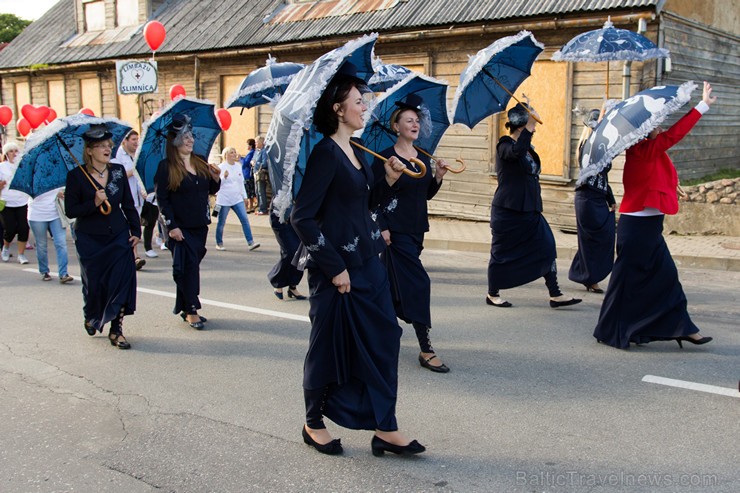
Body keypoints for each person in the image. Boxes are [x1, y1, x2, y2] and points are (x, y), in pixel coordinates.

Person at [291, 65, 425, 457]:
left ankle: (385, 427)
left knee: (385, 339)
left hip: (370, 263)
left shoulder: (357, 152)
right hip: (339, 273)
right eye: (357, 102)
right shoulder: (325, 154)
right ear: (337, 109)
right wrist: (334, 268)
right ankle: (313, 422)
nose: (365, 108)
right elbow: (303, 217)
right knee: (329, 348)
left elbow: (364, 208)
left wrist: (386, 180)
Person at [593, 81, 716, 349]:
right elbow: (674, 136)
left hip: (649, 227)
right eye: (656, 125)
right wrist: (702, 106)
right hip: (636, 229)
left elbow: (659, 174)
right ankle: (611, 330)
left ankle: (683, 328)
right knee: (627, 283)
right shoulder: (640, 150)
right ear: (645, 131)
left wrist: (672, 189)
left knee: (666, 278)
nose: (660, 128)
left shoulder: (649, 152)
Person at [371, 93, 450, 374]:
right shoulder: (386, 158)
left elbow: (423, 194)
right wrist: (382, 226)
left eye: (417, 120)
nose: (415, 124)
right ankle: (426, 348)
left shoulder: (422, 156)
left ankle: (375, 332)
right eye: (409, 120)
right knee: (419, 284)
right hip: (395, 231)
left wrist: (437, 176)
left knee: (391, 287)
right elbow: (375, 197)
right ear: (396, 126)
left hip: (417, 230)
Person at [486, 103, 581, 309]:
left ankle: (555, 294)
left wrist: (528, 130)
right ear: (521, 123)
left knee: (547, 246)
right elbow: (516, 153)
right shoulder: (504, 145)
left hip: (530, 210)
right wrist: (528, 128)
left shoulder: (527, 148)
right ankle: (492, 293)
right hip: (508, 211)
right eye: (531, 124)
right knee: (501, 253)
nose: (535, 128)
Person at [65, 124, 141, 349]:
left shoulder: (117, 171)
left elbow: (128, 204)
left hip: (118, 235)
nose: (108, 149)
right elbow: (71, 211)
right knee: (95, 285)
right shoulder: (76, 176)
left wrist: (135, 232)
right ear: (89, 150)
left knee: (121, 282)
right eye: (101, 146)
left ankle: (116, 331)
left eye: (109, 145)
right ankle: (91, 314)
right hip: (90, 239)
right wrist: (94, 203)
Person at [154, 114, 220, 330]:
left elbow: (210, 190)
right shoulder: (166, 167)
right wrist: (171, 226)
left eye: (191, 135)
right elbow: (162, 200)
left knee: (190, 267)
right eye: (185, 137)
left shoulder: (199, 160)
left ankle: (185, 306)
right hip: (179, 229)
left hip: (199, 225)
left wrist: (216, 178)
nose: (190, 140)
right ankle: (191, 309)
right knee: (186, 268)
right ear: (175, 141)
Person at [568, 108, 616, 294]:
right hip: (586, 199)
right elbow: (593, 173)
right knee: (592, 241)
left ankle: (583, 273)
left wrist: (610, 198)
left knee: (604, 238)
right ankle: (590, 278)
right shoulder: (586, 146)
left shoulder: (601, 145)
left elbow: (603, 176)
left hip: (598, 198)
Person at [112, 130, 148, 269]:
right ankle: (134, 257)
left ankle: (132, 256)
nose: (136, 142)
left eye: (137, 139)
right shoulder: (117, 156)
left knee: (135, 227)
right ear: (124, 141)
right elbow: (117, 176)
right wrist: (133, 170)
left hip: (138, 198)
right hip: (124, 199)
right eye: (133, 139)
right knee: (126, 228)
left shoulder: (138, 154)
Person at [214, 146, 260, 251]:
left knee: (244, 219)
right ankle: (219, 243)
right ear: (226, 155)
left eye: (235, 152)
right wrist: (223, 178)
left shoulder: (238, 166)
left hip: (237, 198)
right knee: (221, 222)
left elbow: (241, 183)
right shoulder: (221, 167)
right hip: (224, 199)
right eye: (231, 152)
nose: (234, 154)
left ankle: (250, 242)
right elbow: (217, 185)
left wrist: (245, 197)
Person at [28, 187, 74, 283]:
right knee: (41, 245)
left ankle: (63, 274)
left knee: (61, 243)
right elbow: (31, 194)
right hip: (37, 215)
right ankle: (44, 271)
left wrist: (62, 192)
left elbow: (65, 188)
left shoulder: (56, 177)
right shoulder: (32, 179)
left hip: (56, 214)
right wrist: (52, 193)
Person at [267, 204, 306, 301]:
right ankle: (277, 280)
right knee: (290, 251)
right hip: (281, 215)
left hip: (299, 215)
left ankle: (293, 286)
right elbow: (279, 192)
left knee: (301, 252)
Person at [0, 142, 31, 264]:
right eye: (11, 151)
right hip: (7, 202)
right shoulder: (2, 167)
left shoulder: (22, 166)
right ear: (7, 153)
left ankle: (21, 254)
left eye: (15, 151)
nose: (14, 153)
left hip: (22, 201)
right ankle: (6, 248)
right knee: (10, 229)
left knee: (24, 228)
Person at [252, 136, 269, 215]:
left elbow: (265, 163)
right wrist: (252, 162)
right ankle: (260, 207)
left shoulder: (264, 151)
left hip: (261, 174)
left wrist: (256, 163)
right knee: (257, 191)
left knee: (261, 191)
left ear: (262, 143)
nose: (255, 143)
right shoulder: (256, 151)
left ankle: (263, 209)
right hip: (255, 173)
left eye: (256, 142)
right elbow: (253, 160)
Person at [240, 138, 257, 212]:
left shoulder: (251, 153)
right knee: (250, 191)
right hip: (248, 174)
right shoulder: (252, 152)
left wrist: (240, 158)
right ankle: (251, 206)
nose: (246, 146)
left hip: (248, 174)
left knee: (248, 191)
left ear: (250, 146)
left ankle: (249, 207)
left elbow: (245, 164)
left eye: (247, 145)